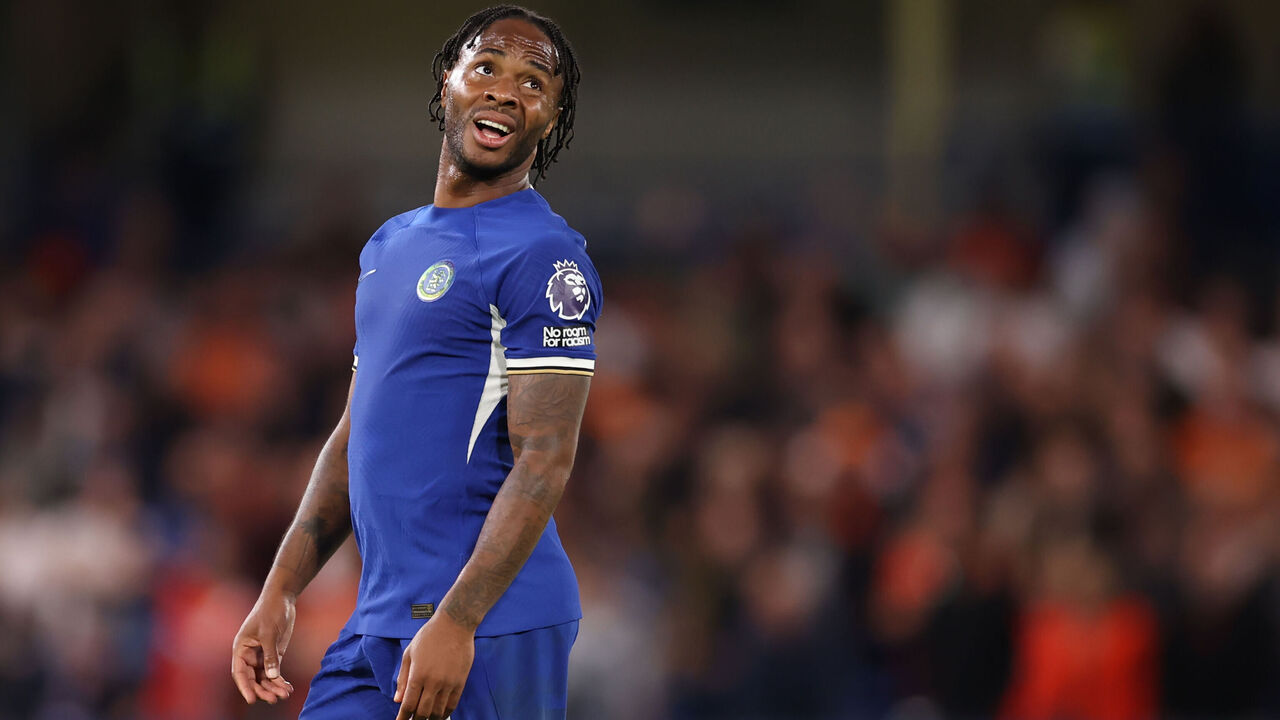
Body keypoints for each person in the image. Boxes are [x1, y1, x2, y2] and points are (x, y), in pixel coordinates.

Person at [230, 6, 598, 719]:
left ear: (550, 120)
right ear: (447, 84)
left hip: (488, 622)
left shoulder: (544, 256)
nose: (502, 89)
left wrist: (458, 622)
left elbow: (547, 456)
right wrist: (281, 587)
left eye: (532, 82)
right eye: (486, 66)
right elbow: (355, 432)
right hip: (382, 617)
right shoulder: (388, 247)